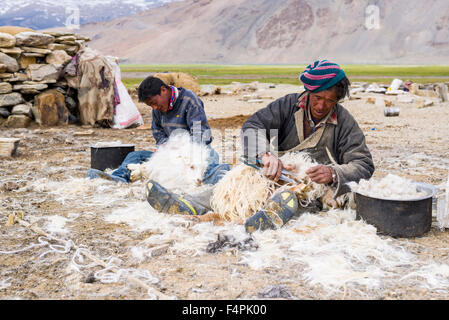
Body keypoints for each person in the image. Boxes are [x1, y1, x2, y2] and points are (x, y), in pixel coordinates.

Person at [145, 60, 374, 228]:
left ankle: (266, 216)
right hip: (278, 171)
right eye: (318, 98)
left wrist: (333, 173)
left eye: (330, 101)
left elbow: (363, 163)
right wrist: (265, 154)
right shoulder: (288, 105)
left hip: (311, 184)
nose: (323, 106)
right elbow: (253, 126)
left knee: (298, 198)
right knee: (237, 184)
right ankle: (189, 204)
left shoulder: (343, 121)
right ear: (308, 92)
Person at [86, 76, 229, 187]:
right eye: (150, 105)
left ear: (163, 90)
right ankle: (118, 177)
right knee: (135, 156)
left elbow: (200, 135)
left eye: (154, 103)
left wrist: (182, 152)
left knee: (208, 162)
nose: (154, 108)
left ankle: (219, 173)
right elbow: (158, 131)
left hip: (193, 153)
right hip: (170, 155)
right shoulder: (158, 109)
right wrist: (165, 146)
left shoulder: (189, 101)